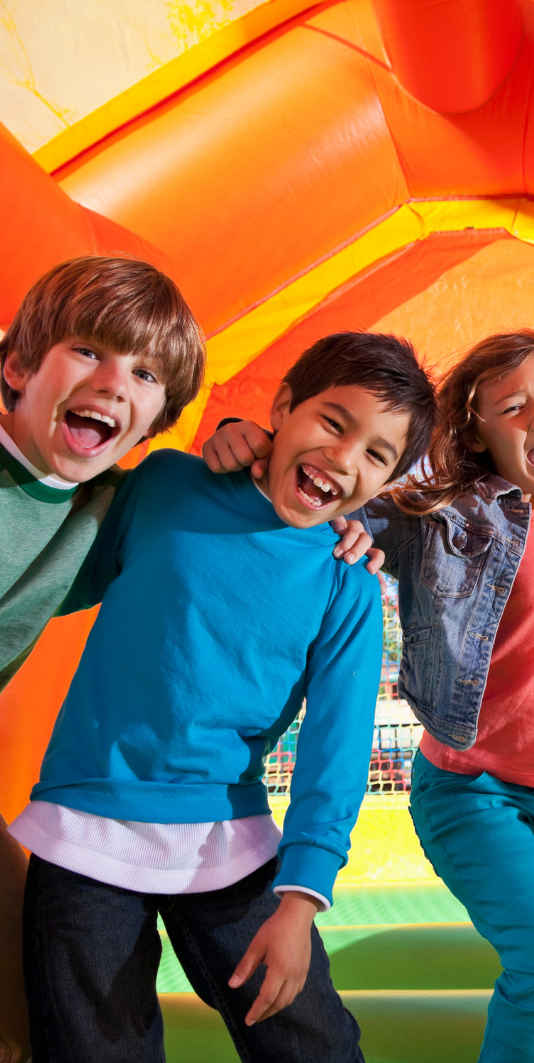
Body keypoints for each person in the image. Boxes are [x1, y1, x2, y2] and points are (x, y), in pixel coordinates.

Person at [206, 330, 534, 1063]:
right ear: (477, 432)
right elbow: (334, 499)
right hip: (471, 791)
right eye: (511, 407)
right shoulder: (447, 517)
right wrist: (251, 443)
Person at [9, 331, 437, 1063]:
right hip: (82, 830)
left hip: (226, 843)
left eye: (376, 454)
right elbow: (57, 563)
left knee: (316, 1045)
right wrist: (230, 441)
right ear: (282, 408)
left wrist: (300, 901)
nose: (343, 457)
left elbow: (333, 758)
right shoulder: (165, 484)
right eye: (333, 422)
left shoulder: (347, 585)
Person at [0, 254, 205, 1063]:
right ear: (17, 365)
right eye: (88, 350)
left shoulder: (105, 507)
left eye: (146, 372)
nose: (116, 381)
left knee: (27, 991)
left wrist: (238, 446)